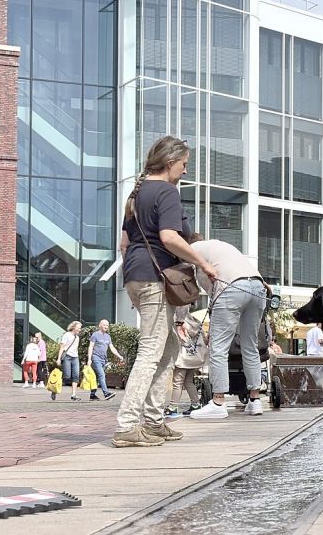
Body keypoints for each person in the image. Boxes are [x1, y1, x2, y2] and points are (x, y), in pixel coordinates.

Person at [112, 136, 217, 448]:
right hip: (155, 277)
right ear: (170, 162)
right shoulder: (167, 192)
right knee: (150, 351)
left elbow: (124, 244)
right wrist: (203, 263)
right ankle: (128, 425)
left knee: (170, 347)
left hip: (135, 274)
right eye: (184, 164)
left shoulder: (136, 193)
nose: (185, 171)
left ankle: (155, 421)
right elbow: (170, 237)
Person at [188, 233, 269, 420]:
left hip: (232, 288)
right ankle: (255, 401)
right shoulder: (221, 246)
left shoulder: (195, 249)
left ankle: (218, 402)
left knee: (218, 348)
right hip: (257, 287)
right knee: (250, 346)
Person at [166, 307, 206, 417]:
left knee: (177, 382)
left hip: (182, 357)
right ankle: (196, 404)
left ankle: (173, 408)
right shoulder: (194, 321)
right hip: (192, 357)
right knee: (188, 381)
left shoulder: (178, 322)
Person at [88, 319, 125, 401]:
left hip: (103, 359)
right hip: (96, 358)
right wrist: (89, 359)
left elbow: (112, 348)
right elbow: (91, 347)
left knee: (98, 377)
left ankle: (92, 394)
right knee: (102, 375)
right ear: (100, 325)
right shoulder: (95, 335)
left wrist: (119, 356)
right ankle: (106, 393)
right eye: (104, 325)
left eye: (107, 325)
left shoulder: (108, 336)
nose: (106, 327)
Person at [57, 321, 83, 401]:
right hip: (67, 357)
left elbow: (75, 348)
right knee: (67, 376)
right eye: (78, 328)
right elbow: (62, 347)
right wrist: (59, 358)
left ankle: (74, 394)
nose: (80, 329)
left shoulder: (77, 337)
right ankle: (54, 388)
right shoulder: (66, 335)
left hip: (75, 357)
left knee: (76, 376)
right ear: (74, 327)